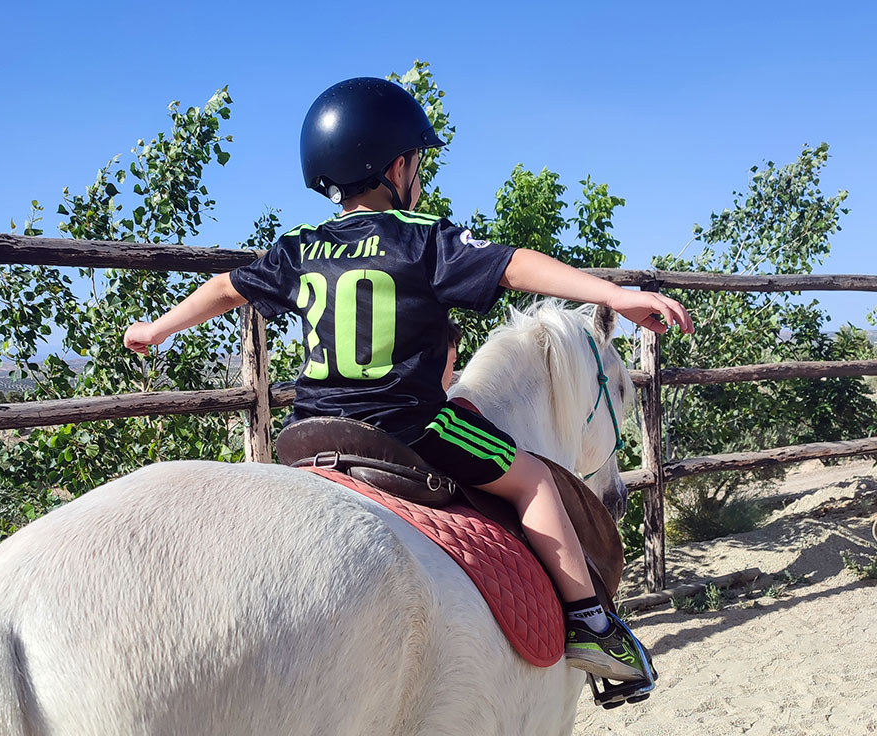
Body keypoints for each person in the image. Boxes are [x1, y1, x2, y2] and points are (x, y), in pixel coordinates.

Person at [124, 77, 694, 683]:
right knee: (532, 482)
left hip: (309, 430)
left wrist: (159, 328)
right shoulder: (423, 238)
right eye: (416, 161)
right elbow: (516, 267)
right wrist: (614, 294)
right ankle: (591, 626)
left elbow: (224, 288)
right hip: (412, 426)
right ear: (399, 166)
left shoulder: (297, 246)